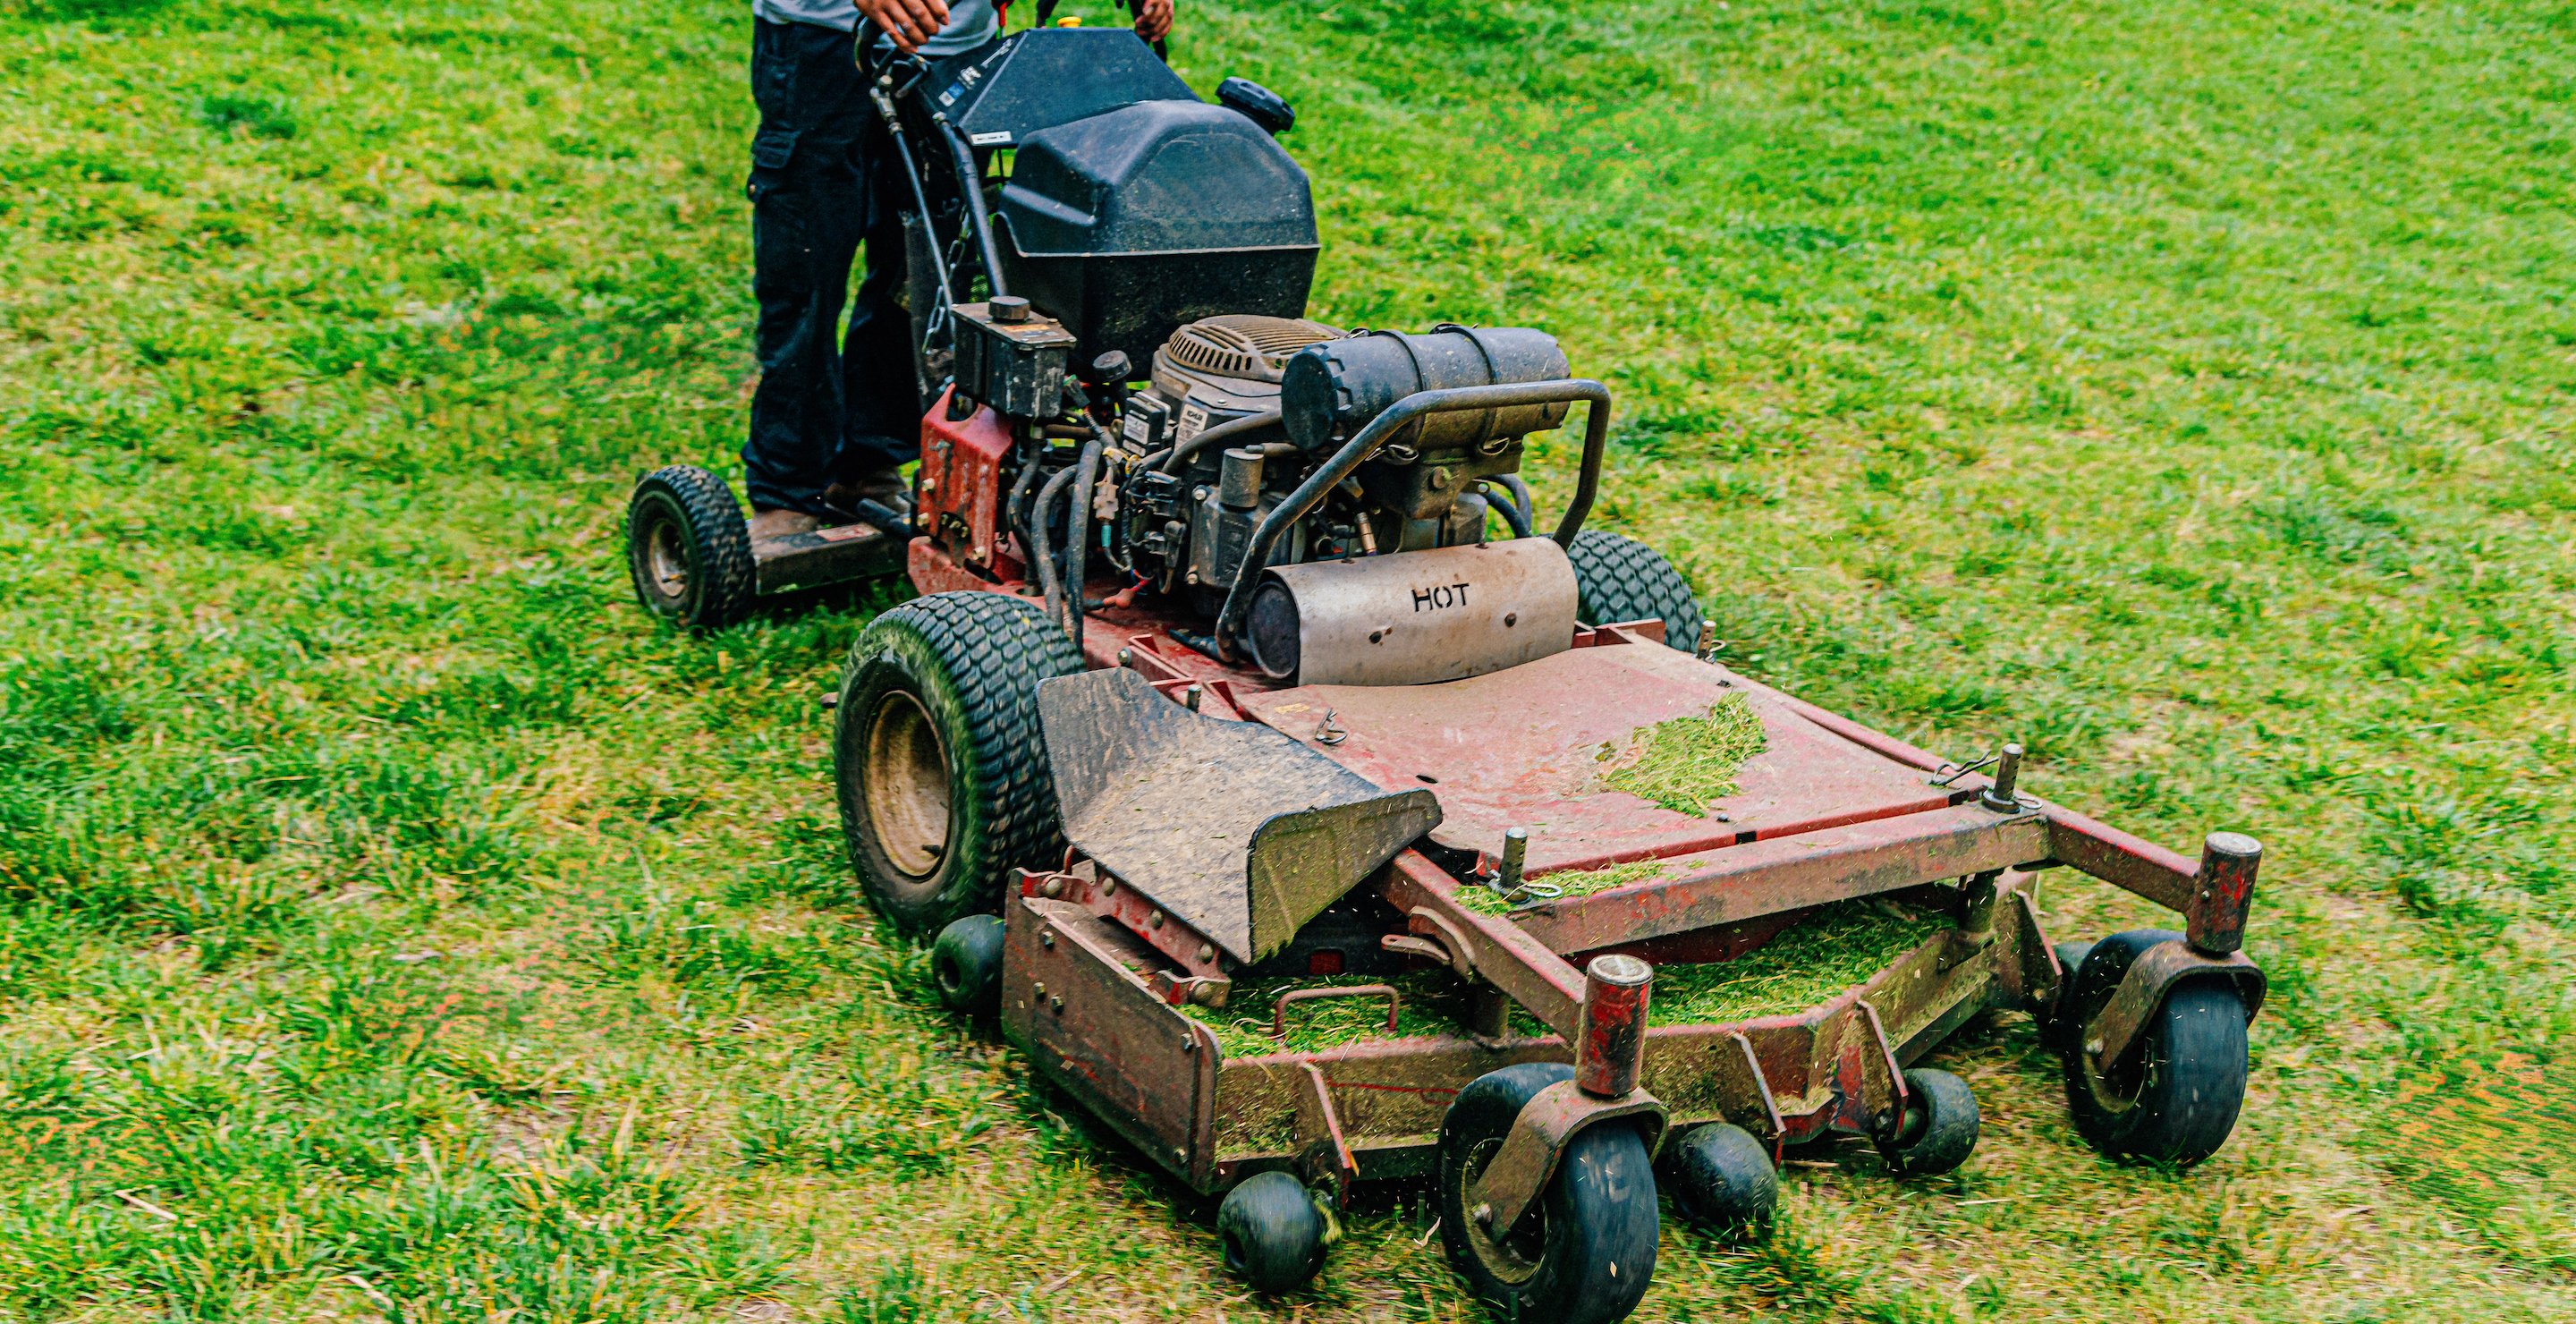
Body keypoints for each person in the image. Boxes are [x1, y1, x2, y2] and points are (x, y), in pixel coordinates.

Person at [741, 0, 1176, 541]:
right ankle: (787, 486)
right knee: (805, 274)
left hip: (956, 49)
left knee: (924, 276)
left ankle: (867, 463)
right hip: (821, 40)